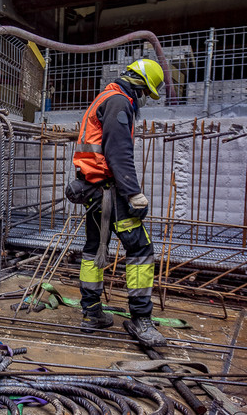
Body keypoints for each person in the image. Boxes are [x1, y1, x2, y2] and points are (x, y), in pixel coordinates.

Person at [71, 58, 166, 347]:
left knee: (93, 250)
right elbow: (118, 153)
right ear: (140, 83)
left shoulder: (105, 96)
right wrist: (134, 193)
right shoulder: (119, 102)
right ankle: (141, 319)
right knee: (140, 250)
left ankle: (91, 313)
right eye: (146, 93)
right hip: (110, 191)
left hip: (93, 190)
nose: (143, 99)